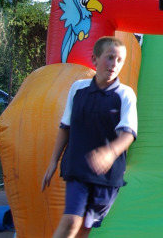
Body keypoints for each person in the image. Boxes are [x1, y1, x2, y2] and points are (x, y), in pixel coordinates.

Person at [42, 37, 137, 238]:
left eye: (120, 60)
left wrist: (110, 153)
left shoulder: (125, 94)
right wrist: (53, 161)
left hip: (107, 176)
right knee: (71, 221)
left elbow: (128, 133)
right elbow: (65, 126)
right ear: (95, 59)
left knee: (84, 228)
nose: (114, 65)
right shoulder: (78, 89)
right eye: (110, 58)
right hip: (77, 167)